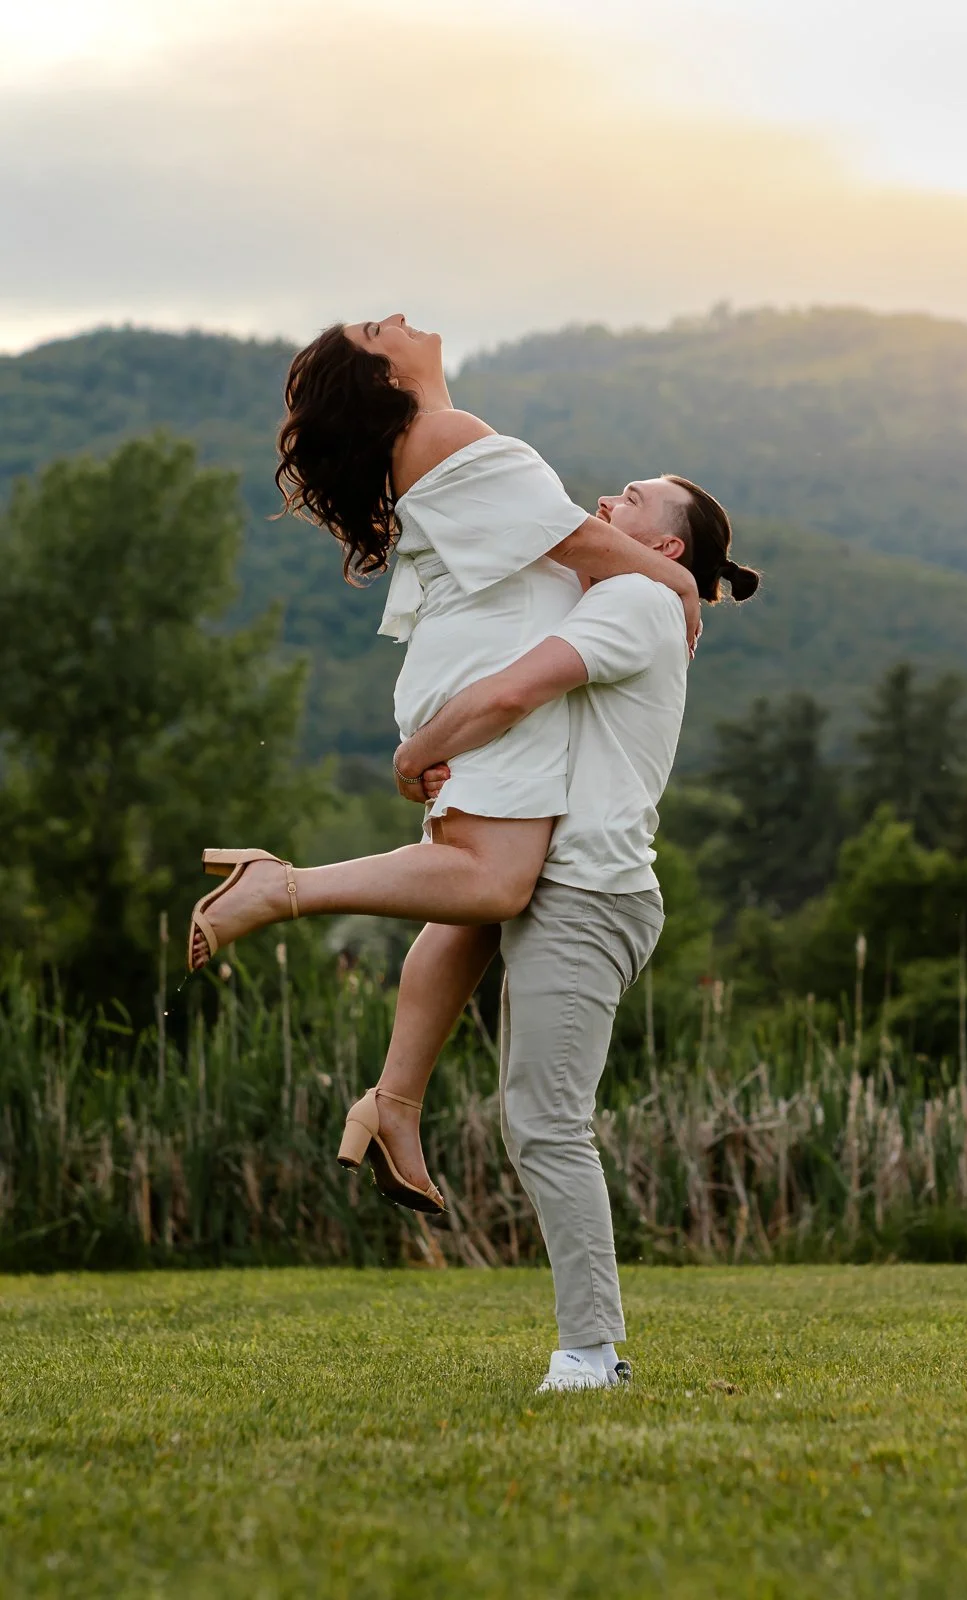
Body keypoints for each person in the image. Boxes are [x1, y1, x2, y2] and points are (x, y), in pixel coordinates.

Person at [370, 473, 760, 1391]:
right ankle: (387, 1105)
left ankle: (590, 1355)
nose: (605, 499)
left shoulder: (635, 603)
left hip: (588, 895)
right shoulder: (627, 594)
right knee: (538, 1116)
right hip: (547, 883)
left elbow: (511, 695)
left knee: (547, 1123)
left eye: (630, 498)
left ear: (663, 551)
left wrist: (416, 754)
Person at [187, 311, 699, 966]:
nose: (397, 318)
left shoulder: (431, 437)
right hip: (493, 666)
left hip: (474, 659)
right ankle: (280, 887)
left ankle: (398, 1076)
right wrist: (676, 581)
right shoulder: (442, 432)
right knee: (490, 883)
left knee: (468, 900)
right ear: (386, 375)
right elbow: (568, 537)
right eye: (377, 330)